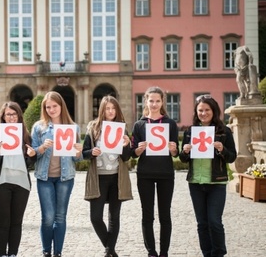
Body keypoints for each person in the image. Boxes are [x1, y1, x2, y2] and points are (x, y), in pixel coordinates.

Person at [179, 95, 237, 257]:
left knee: (215, 222)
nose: (203, 113)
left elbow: (232, 157)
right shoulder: (191, 131)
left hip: (216, 182)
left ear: (214, 111)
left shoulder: (224, 131)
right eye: (200, 110)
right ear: (196, 112)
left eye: (207, 110)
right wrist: (185, 151)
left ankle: (218, 253)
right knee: (202, 224)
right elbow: (183, 159)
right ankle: (207, 253)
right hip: (196, 182)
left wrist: (222, 149)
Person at [31, 91, 83, 257]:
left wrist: (78, 151)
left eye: (54, 106)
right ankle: (46, 250)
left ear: (61, 106)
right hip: (44, 177)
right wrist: (42, 147)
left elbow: (77, 159)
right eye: (48, 107)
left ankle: (57, 252)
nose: (51, 109)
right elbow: (33, 153)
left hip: (65, 178)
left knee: (60, 217)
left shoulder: (73, 128)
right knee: (48, 217)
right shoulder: (39, 127)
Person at [130, 86, 179, 257]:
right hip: (145, 174)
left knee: (165, 216)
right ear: (146, 101)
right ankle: (151, 252)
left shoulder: (170, 124)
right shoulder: (139, 124)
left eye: (158, 100)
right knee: (147, 215)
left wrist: (173, 149)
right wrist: (139, 149)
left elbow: (176, 153)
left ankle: (164, 252)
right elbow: (133, 154)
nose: (154, 104)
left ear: (162, 102)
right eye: (151, 100)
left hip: (166, 173)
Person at [82, 95, 133, 257]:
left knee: (114, 217)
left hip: (117, 177)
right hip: (99, 178)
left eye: (113, 108)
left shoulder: (122, 129)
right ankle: (110, 250)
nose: (110, 111)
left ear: (117, 110)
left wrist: (126, 145)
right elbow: (84, 154)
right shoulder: (93, 128)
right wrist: (92, 152)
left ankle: (108, 251)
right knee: (95, 217)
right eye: (107, 108)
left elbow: (126, 157)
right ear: (102, 110)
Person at [0, 102, 36, 257]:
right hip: (0, 184)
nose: (12, 117)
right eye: (8, 114)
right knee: (2, 223)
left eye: (14, 114)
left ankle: (13, 254)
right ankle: (1, 254)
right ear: (3, 117)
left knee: (16, 223)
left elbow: (28, 164)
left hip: (21, 184)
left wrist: (32, 157)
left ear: (19, 116)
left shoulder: (26, 136)